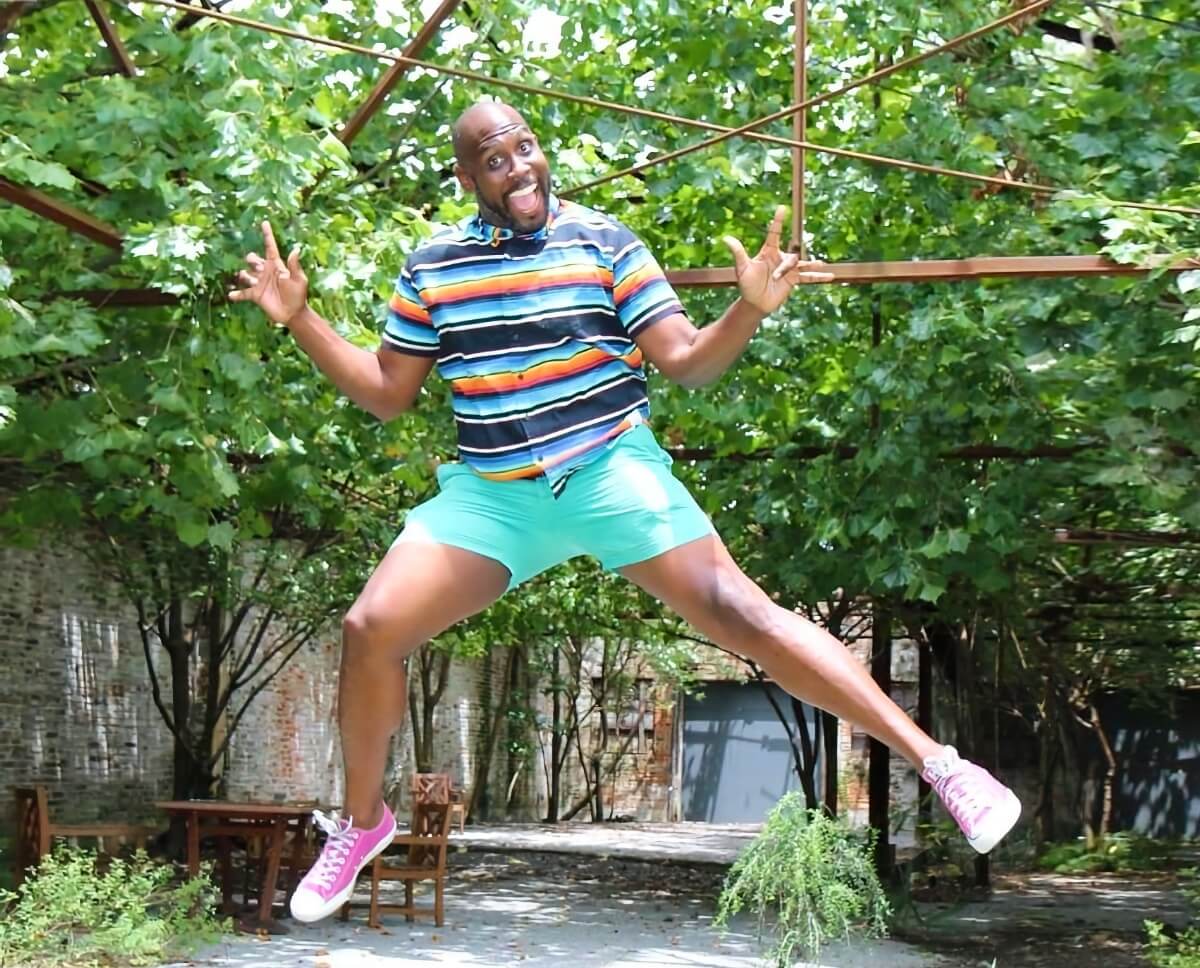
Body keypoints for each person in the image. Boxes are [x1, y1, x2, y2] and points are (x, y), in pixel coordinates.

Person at [229, 100, 1021, 924]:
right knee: (370, 628)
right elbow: (389, 394)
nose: (520, 169)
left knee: (737, 609)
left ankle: (940, 765)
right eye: (495, 161)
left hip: (607, 467)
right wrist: (300, 320)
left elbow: (685, 362)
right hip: (496, 493)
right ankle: (362, 826)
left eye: (526, 149)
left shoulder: (604, 241)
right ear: (469, 180)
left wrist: (747, 307)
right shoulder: (434, 265)